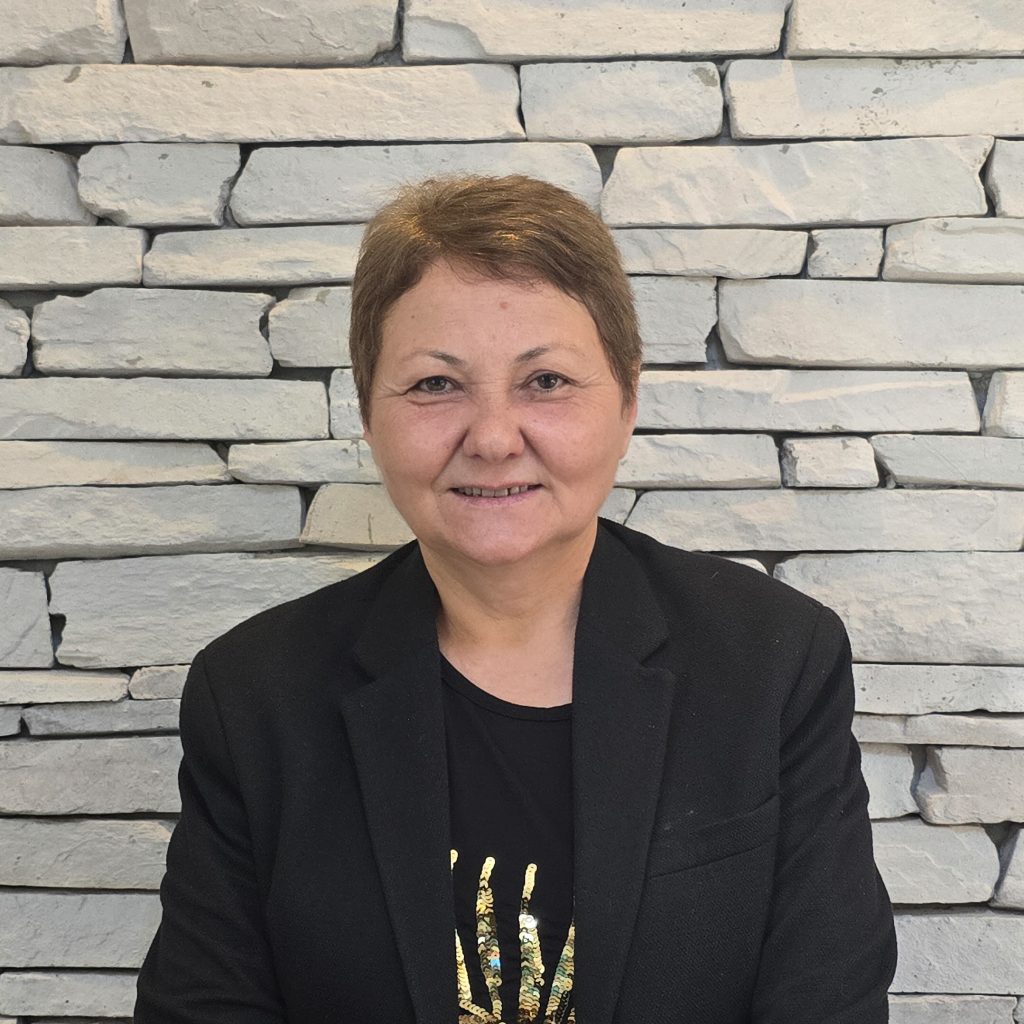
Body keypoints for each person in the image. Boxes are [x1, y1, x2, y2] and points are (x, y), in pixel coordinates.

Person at [133, 173, 898, 1024]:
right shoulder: (255, 693)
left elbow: (828, 998)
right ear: (368, 414)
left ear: (628, 400)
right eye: (435, 385)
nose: (494, 439)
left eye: (546, 381)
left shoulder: (773, 660)